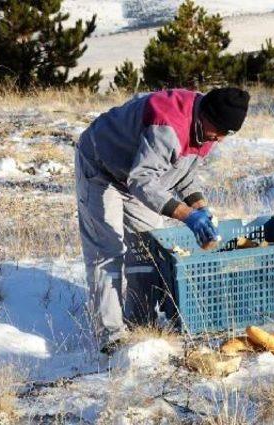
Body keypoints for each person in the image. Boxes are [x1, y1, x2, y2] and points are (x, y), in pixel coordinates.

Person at [75, 87, 250, 354]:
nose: (221, 139)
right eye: (220, 131)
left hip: (137, 176)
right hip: (102, 168)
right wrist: (187, 216)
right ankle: (110, 338)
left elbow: (180, 171)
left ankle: (140, 322)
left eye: (227, 134)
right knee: (108, 251)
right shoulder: (168, 126)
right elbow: (141, 180)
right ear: (206, 115)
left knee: (147, 248)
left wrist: (200, 206)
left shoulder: (207, 128)